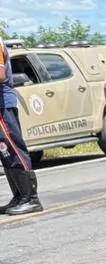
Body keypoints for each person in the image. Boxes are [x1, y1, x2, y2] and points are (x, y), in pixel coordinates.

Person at [0, 40, 40, 215]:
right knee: (5, 152)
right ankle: (19, 197)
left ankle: (31, 198)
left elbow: (1, 75)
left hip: (3, 103)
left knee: (14, 149)